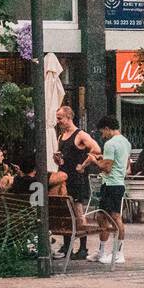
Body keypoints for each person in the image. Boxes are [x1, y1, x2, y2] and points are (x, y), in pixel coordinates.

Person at [52, 105, 101, 260]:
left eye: (60, 118)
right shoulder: (62, 136)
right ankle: (68, 246)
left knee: (78, 211)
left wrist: (84, 164)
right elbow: (63, 158)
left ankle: (83, 247)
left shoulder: (80, 135)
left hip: (76, 178)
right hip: (64, 178)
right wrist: (58, 159)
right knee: (67, 213)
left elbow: (96, 149)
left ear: (68, 117)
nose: (58, 121)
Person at [88, 116, 130, 264]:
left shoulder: (110, 144)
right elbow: (123, 163)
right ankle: (102, 250)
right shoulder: (126, 142)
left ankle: (118, 253)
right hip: (118, 182)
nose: (102, 135)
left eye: (102, 132)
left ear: (107, 128)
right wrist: (103, 158)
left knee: (114, 217)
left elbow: (107, 167)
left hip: (111, 183)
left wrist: (95, 161)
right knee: (102, 216)